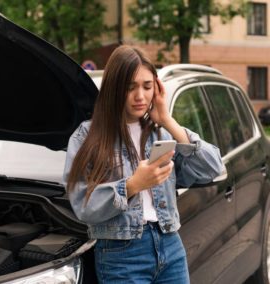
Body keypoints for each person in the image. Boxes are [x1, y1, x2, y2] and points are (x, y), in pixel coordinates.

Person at [63, 45, 223, 284]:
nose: (140, 96)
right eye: (130, 88)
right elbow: (83, 205)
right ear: (114, 89)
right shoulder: (87, 136)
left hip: (170, 246)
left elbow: (212, 167)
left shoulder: (161, 133)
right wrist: (132, 185)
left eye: (147, 87)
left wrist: (167, 119)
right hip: (121, 255)